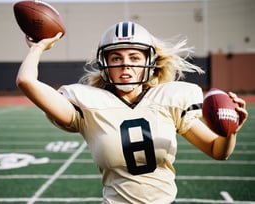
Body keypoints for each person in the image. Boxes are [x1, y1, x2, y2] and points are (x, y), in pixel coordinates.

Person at [16, 21, 248, 203]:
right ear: (104, 63)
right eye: (116, 57)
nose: (125, 65)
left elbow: (218, 151)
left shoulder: (170, 100)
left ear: (149, 61)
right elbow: (26, 81)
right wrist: (37, 48)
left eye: (134, 57)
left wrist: (230, 131)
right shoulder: (88, 104)